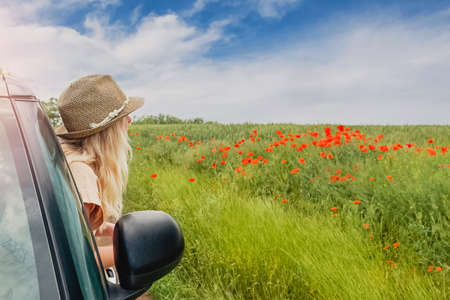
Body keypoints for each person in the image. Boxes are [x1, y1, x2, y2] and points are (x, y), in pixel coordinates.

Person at [54, 74, 144, 268]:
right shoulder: (81, 175)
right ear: (107, 132)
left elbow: (75, 229)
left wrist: (110, 229)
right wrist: (133, 252)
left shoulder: (66, 158)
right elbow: (74, 263)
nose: (129, 120)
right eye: (123, 116)